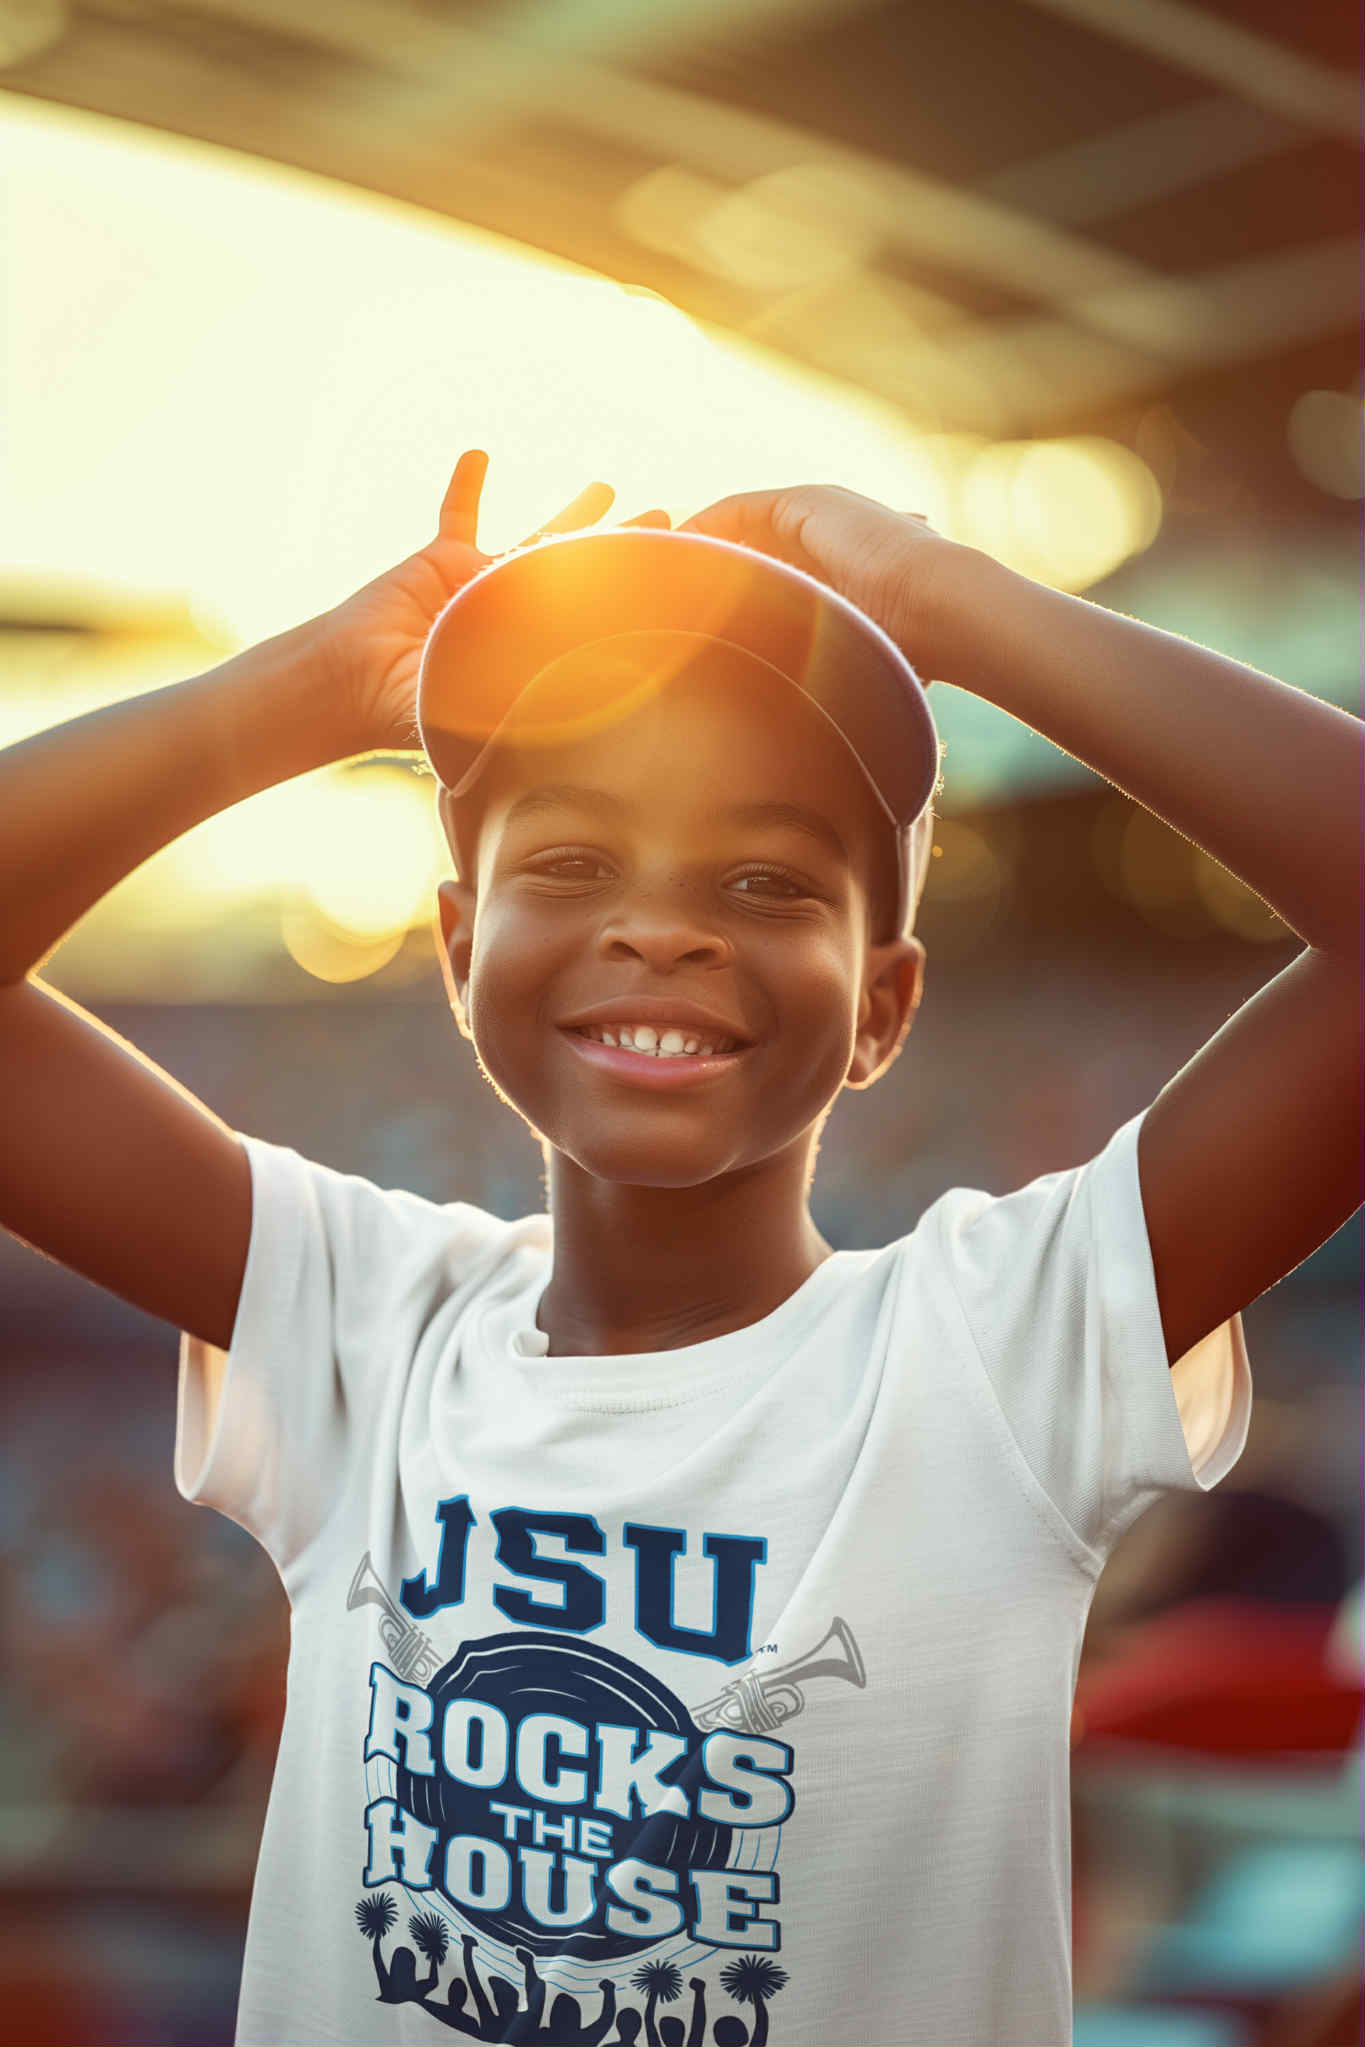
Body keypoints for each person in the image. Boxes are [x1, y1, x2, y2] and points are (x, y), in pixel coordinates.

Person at [0, 445, 1359, 2047]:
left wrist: (950, 601)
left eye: (766, 877)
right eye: (571, 860)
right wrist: (295, 696)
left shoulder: (994, 1345)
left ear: (883, 1004)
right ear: (456, 944)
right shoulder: (362, 1318)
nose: (661, 924)